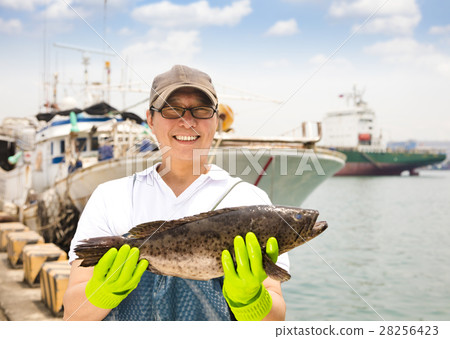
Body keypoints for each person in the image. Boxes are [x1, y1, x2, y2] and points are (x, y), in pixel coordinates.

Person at [63, 65, 289, 321]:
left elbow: (275, 321)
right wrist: (101, 293)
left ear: (216, 120)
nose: (187, 121)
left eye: (201, 110)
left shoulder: (250, 200)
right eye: (172, 109)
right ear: (150, 119)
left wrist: (251, 300)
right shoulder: (110, 196)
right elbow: (72, 316)